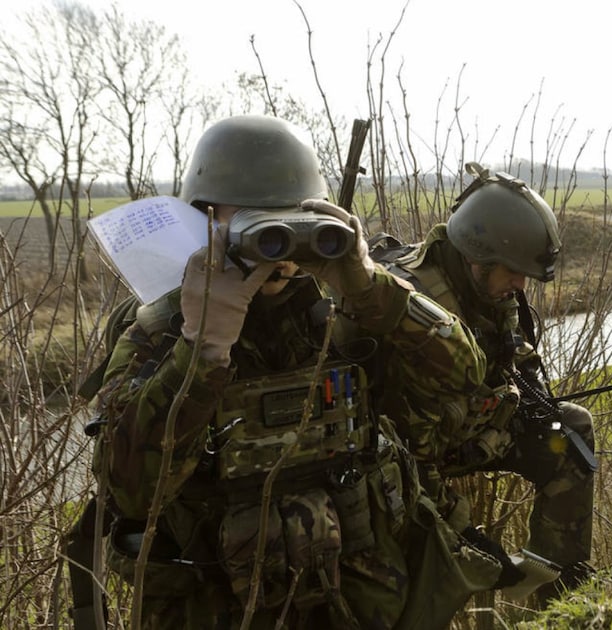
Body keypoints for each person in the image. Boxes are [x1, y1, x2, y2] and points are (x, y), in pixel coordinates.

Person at [88, 115, 512, 629]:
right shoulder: (161, 331)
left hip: (365, 601)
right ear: (205, 219)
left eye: (290, 219)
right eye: (253, 221)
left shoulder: (342, 313)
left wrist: (371, 288)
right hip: (222, 605)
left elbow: (465, 375)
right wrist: (202, 352)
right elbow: (129, 490)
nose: (279, 246)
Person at [371, 162, 596, 604]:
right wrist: (467, 533)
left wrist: (529, 388)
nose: (519, 284)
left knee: (570, 434)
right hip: (405, 463)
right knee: (433, 557)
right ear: (477, 257)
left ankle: (561, 597)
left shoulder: (488, 286)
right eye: (512, 272)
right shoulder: (417, 310)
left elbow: (510, 345)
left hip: (472, 429)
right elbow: (410, 460)